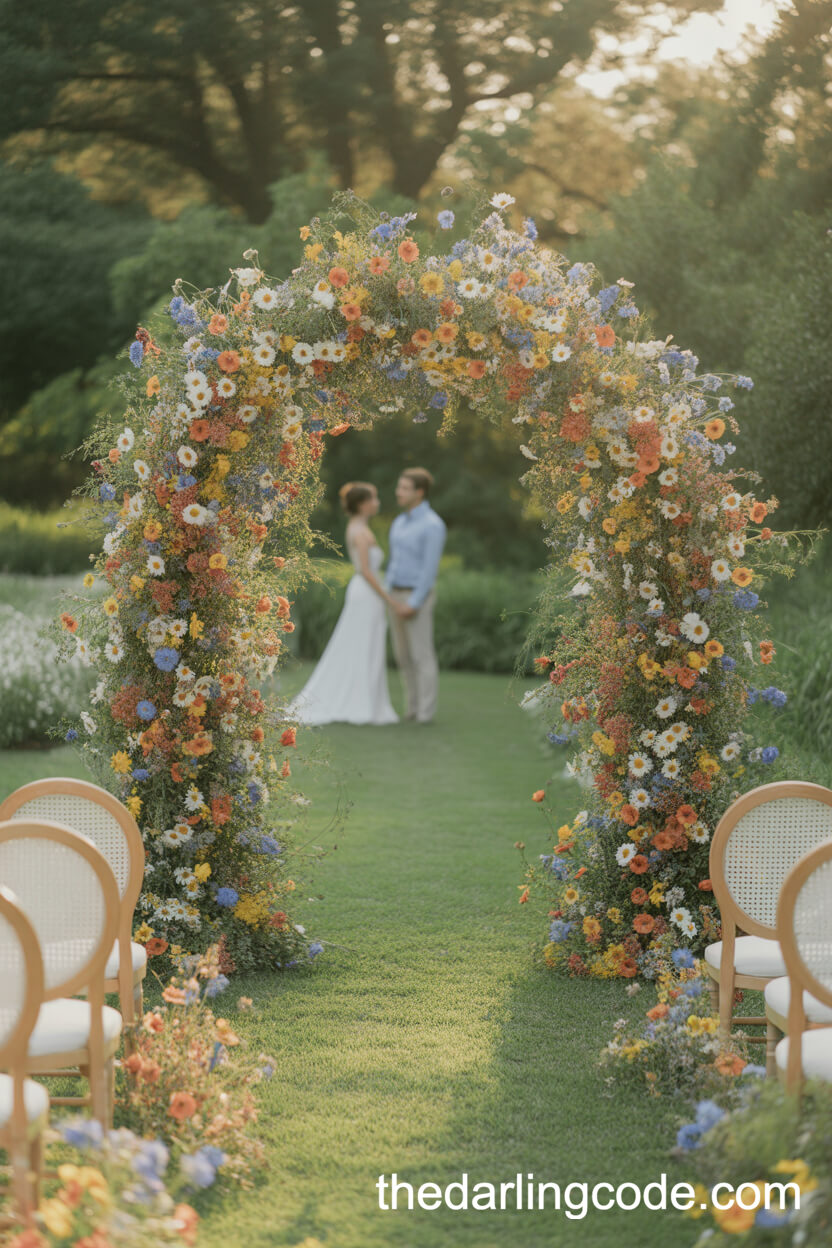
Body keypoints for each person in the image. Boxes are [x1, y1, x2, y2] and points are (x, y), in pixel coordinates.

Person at [287, 482, 399, 726]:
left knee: (367, 644)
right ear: (362, 504)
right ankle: (360, 703)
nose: (377, 503)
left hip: (368, 593)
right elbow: (367, 571)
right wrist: (388, 598)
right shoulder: (359, 532)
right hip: (367, 592)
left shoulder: (360, 528)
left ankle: (369, 700)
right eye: (374, 499)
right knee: (360, 644)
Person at [387, 468, 447, 723]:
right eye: (399, 487)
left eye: (404, 488)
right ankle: (411, 709)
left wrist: (413, 603)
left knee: (422, 655)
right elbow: (394, 562)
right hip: (395, 596)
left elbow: (429, 570)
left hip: (417, 598)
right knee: (403, 657)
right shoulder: (399, 522)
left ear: (419, 492)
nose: (398, 492)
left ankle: (425, 713)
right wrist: (389, 596)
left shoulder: (433, 525)